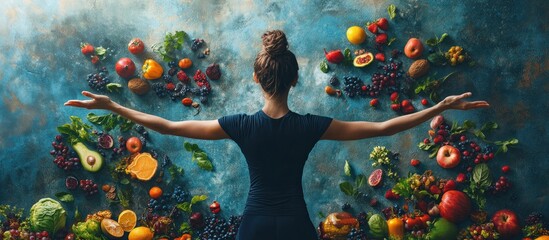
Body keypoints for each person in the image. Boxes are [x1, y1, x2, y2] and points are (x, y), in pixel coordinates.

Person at [65, 30, 489, 240]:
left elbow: (170, 126)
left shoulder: (240, 126)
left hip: (253, 225)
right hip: (295, 225)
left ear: (257, 78)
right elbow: (384, 126)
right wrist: (439, 107)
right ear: (295, 79)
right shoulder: (309, 127)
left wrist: (114, 105)